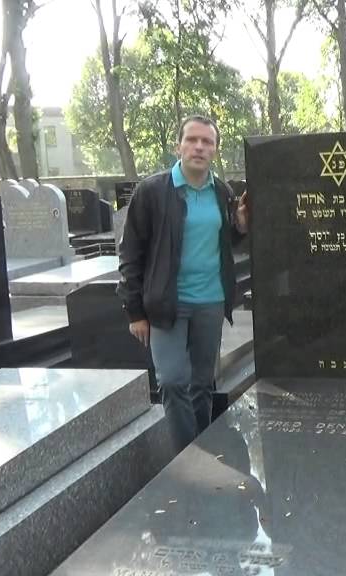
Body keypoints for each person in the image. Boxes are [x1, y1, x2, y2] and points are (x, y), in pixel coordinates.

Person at [117, 114, 249, 450]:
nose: (199, 147)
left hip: (210, 301)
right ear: (179, 146)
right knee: (173, 381)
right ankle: (186, 459)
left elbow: (223, 242)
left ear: (215, 150)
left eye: (207, 142)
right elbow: (131, 252)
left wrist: (241, 226)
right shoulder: (152, 192)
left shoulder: (222, 191)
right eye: (192, 140)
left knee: (203, 384)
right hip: (166, 304)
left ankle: (202, 447)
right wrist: (135, 311)